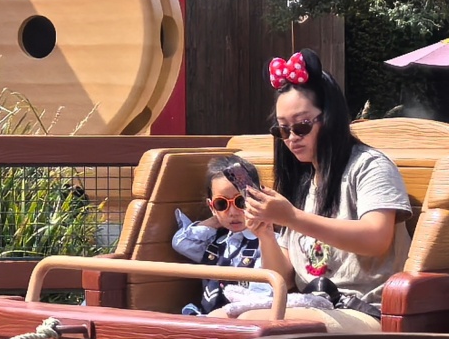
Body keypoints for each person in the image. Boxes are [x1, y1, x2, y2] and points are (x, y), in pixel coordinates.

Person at [244, 48, 413, 320]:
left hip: (366, 312)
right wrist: (264, 233)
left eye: (301, 126)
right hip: (310, 306)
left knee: (248, 326)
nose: (290, 139)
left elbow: (376, 238)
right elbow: (284, 278)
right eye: (282, 129)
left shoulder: (370, 166)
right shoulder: (304, 182)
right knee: (217, 321)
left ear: (331, 118)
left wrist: (292, 217)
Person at [171, 156, 271, 315]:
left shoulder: (267, 244)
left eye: (241, 202)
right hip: (207, 321)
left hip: (242, 321)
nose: (232, 212)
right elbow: (181, 242)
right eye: (221, 203)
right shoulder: (214, 241)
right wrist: (217, 218)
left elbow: (262, 297)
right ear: (211, 206)